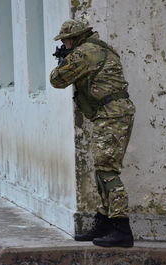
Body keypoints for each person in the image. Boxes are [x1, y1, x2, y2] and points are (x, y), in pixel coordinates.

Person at [50, 19, 135, 248]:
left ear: (75, 38)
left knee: (107, 171)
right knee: (101, 169)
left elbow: (56, 80)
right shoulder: (100, 47)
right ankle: (105, 222)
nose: (65, 43)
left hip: (111, 116)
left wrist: (63, 61)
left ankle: (121, 227)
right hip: (112, 114)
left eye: (66, 40)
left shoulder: (84, 53)